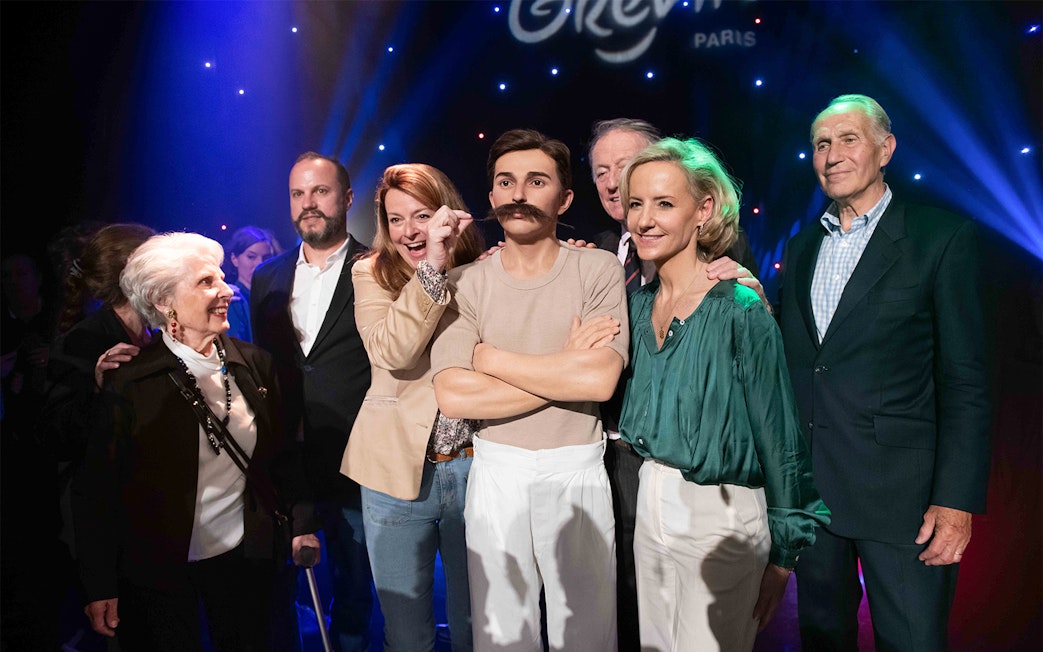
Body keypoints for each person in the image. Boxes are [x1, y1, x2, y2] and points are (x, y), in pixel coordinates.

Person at [780, 94, 990, 651]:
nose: (832, 155)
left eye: (849, 139)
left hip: (906, 501)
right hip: (815, 496)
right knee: (822, 638)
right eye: (822, 144)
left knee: (912, 642)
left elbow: (966, 382)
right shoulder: (801, 249)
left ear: (886, 149)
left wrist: (956, 500)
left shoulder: (940, 239)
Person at [616, 136, 830, 651]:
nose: (644, 219)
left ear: (703, 209)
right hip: (651, 499)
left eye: (664, 203)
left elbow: (779, 438)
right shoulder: (635, 304)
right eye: (636, 203)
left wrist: (783, 557)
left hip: (723, 516)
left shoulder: (739, 307)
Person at [72, 231, 320, 650]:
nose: (226, 290)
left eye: (222, 278)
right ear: (163, 301)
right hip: (159, 568)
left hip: (247, 555)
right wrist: (99, 583)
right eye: (207, 282)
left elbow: (281, 457)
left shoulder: (255, 365)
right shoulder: (129, 381)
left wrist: (303, 524)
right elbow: (98, 488)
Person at [431, 128, 628, 651]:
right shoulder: (464, 282)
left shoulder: (597, 268)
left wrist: (492, 360)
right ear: (492, 196)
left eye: (536, 181)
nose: (518, 193)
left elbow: (600, 380)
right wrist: (564, 365)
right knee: (502, 635)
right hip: (497, 470)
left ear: (563, 198)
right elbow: (453, 395)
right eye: (506, 182)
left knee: (587, 634)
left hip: (578, 468)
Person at [586, 117, 764, 651]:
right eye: (601, 172)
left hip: (693, 468)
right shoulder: (589, 254)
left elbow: (755, 378)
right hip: (606, 456)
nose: (616, 182)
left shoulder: (723, 268)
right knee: (627, 605)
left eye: (626, 166)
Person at [340, 163, 486, 651]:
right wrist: (432, 270)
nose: (408, 231)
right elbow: (391, 352)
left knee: (477, 626)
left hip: (476, 467)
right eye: (396, 219)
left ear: (446, 211)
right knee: (406, 633)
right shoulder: (372, 271)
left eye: (420, 215)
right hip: (395, 470)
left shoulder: (487, 268)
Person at [251, 151, 374, 651]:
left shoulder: (378, 267)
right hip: (286, 458)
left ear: (346, 199)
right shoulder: (267, 277)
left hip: (356, 456)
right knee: (284, 589)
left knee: (354, 586)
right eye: (298, 195)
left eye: (320, 192)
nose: (309, 204)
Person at [34, 222, 155, 649]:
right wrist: (98, 388)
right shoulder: (84, 342)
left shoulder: (155, 340)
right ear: (134, 274)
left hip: (152, 527)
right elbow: (56, 440)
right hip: (107, 533)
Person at [224, 226, 277, 342]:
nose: (260, 263)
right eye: (251, 257)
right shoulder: (234, 300)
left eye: (266, 257)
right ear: (234, 259)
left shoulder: (275, 297)